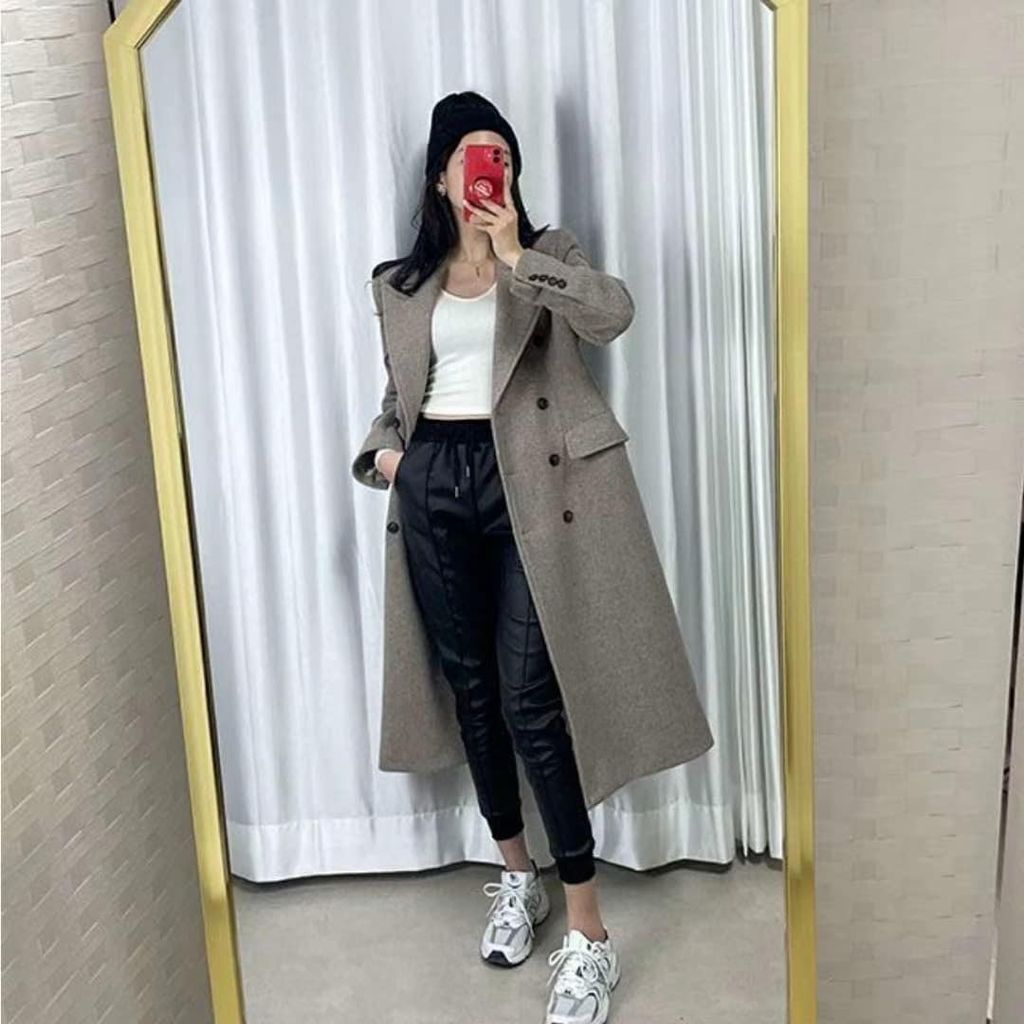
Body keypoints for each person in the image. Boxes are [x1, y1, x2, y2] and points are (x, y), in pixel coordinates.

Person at [362, 91, 627, 1024]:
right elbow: (398, 396)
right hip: (435, 476)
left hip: (530, 485)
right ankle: (519, 877)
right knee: (473, 690)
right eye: (473, 156)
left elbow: (613, 316)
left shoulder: (549, 255)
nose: (489, 169)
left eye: (501, 155)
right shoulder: (402, 283)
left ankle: (589, 933)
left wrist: (515, 256)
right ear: (441, 177)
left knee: (529, 700)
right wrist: (390, 459)